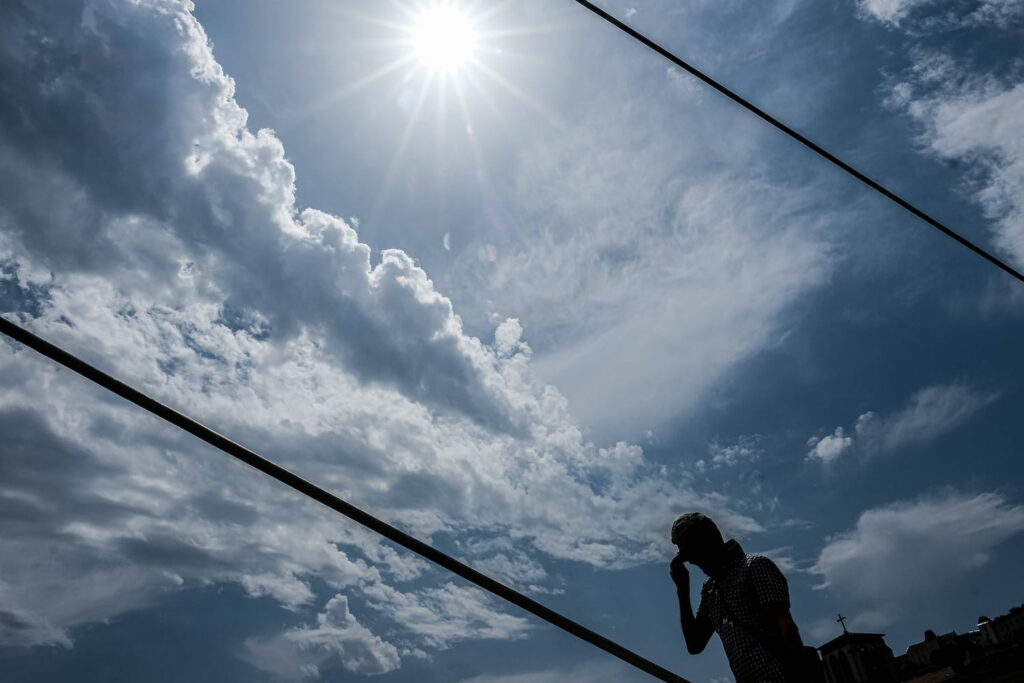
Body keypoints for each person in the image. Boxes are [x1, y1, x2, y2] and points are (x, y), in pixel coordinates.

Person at [669, 512, 808, 682]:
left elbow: (786, 626)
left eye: (693, 553)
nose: (692, 562)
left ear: (708, 541)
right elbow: (695, 644)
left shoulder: (754, 566)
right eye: (688, 557)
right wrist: (682, 590)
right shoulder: (710, 590)